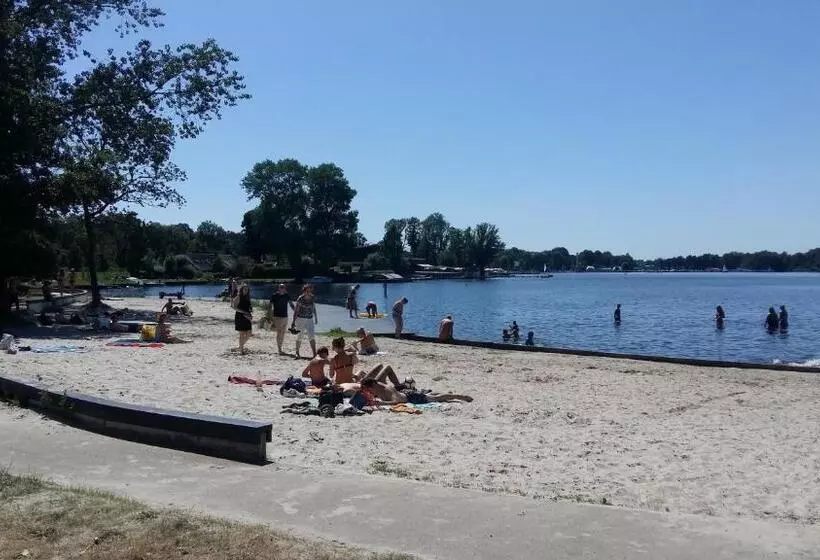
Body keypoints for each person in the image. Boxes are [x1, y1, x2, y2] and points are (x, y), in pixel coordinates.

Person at [360, 367, 473, 405]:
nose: (369, 391)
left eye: (369, 388)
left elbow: (398, 402)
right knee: (431, 395)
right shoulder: (377, 386)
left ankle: (460, 396)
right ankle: (450, 394)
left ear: (373, 385)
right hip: (408, 393)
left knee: (436, 399)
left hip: (411, 397)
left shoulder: (387, 389)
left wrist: (382, 403)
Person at [292, 284, 318, 358]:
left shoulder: (312, 297)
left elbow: (313, 307)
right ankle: (297, 352)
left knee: (311, 336)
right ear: (304, 291)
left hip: (310, 319)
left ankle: (314, 353)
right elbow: (296, 311)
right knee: (300, 336)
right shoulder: (300, 298)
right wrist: (293, 321)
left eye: (310, 291)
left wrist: (316, 317)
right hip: (300, 319)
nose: (308, 292)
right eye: (307, 291)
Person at [269, 283, 293, 354]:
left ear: (285, 289)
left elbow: (291, 304)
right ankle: (279, 349)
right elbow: (270, 306)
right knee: (279, 333)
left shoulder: (287, 295)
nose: (282, 289)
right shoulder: (274, 296)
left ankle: (280, 347)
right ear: (278, 288)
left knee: (282, 333)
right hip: (277, 316)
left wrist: (296, 311)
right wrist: (270, 316)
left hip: (285, 317)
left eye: (283, 287)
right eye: (281, 287)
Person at [232, 283, 253, 354]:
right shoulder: (238, 297)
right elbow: (233, 307)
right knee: (242, 334)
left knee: (249, 333)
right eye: (244, 289)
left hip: (247, 317)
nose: (246, 290)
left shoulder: (248, 297)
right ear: (241, 289)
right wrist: (243, 312)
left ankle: (240, 346)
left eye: (247, 289)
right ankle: (241, 350)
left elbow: (249, 307)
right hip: (240, 317)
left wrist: (250, 311)